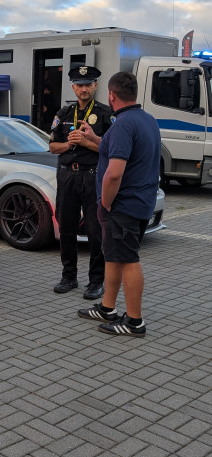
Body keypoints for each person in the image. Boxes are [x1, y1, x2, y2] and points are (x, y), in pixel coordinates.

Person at [77, 71, 161, 336]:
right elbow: (118, 148)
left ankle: (134, 322)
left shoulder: (123, 124)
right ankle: (107, 307)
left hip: (123, 205)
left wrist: (106, 203)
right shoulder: (146, 119)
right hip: (140, 201)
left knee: (128, 260)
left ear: (111, 95)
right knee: (113, 256)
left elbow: (114, 173)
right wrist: (94, 138)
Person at [49, 66, 112, 300]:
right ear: (73, 87)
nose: (83, 89)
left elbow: (112, 149)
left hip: (93, 176)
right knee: (66, 226)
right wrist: (70, 144)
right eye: (79, 85)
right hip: (68, 176)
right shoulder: (64, 113)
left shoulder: (106, 114)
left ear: (95, 86)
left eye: (88, 84)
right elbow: (52, 146)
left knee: (96, 230)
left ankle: (96, 281)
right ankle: (69, 276)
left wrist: (86, 143)